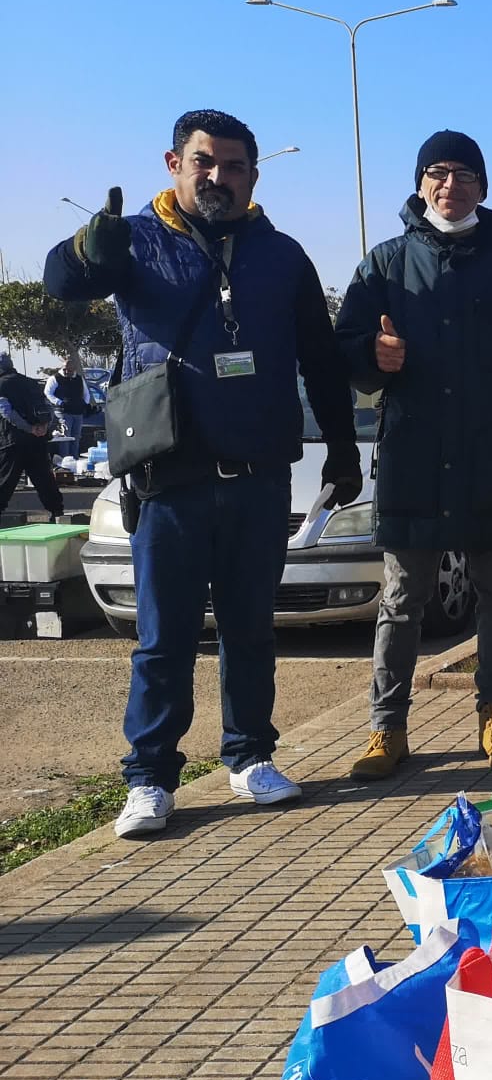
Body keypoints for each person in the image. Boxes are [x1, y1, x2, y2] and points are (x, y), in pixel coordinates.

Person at [42, 109, 359, 837]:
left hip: (258, 477)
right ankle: (150, 778)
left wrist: (341, 451)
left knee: (251, 628)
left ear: (253, 174)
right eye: (204, 163)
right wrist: (91, 247)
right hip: (170, 478)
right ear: (174, 163)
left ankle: (249, 758)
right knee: (165, 638)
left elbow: (321, 358)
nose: (218, 178)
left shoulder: (281, 255)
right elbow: (63, 282)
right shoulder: (137, 243)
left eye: (235, 166)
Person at [336, 131, 492, 779]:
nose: (450, 184)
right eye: (437, 172)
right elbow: (345, 349)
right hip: (414, 456)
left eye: (464, 173)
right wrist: (370, 358)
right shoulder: (383, 265)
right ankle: (388, 728)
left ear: (483, 187)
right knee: (403, 596)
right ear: (419, 184)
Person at [0, 351, 64, 518]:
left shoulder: (1, 385)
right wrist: (43, 426)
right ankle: (57, 513)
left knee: (5, 480)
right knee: (44, 479)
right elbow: (47, 406)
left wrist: (28, 428)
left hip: (12, 441)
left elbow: (7, 413)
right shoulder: (30, 382)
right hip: (38, 440)